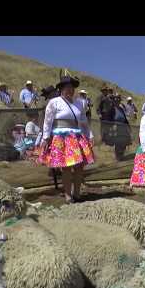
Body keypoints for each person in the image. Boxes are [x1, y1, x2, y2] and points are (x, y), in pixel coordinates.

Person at [38, 74, 94, 204]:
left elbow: (84, 121)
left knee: (80, 166)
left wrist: (89, 135)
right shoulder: (54, 102)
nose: (70, 90)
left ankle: (77, 193)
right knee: (67, 167)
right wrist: (46, 138)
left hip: (77, 136)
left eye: (72, 88)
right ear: (61, 89)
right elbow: (47, 121)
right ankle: (68, 195)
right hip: (61, 138)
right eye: (67, 87)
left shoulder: (79, 103)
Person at [110, 94, 132, 161]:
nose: (117, 100)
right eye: (116, 99)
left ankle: (121, 155)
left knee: (124, 142)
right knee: (118, 142)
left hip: (123, 127)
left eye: (118, 99)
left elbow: (125, 119)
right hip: (116, 127)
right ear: (114, 100)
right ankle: (118, 157)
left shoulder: (121, 109)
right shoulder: (111, 109)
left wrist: (128, 126)